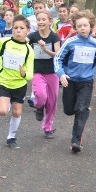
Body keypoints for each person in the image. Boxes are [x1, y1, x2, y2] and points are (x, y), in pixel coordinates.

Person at [55, 10, 96, 153]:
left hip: (86, 82)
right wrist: (61, 74)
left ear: (90, 26)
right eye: (79, 26)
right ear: (75, 28)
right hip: (70, 81)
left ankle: (76, 141)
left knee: (81, 109)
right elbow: (58, 59)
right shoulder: (70, 42)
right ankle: (80, 113)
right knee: (69, 110)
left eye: (85, 25)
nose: (83, 28)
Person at [0, 15, 35, 149]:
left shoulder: (29, 50)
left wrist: (25, 74)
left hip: (19, 85)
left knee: (17, 112)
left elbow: (30, 73)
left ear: (27, 30)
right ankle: (6, 103)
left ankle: (11, 137)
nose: (18, 30)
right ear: (12, 29)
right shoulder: (4, 42)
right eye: (16, 28)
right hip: (3, 81)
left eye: (22, 28)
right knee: (2, 111)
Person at [28, 9, 60, 139]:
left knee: (52, 102)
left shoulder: (54, 37)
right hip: (37, 71)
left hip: (52, 72)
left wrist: (45, 49)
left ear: (50, 21)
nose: (40, 22)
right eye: (38, 19)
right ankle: (39, 107)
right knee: (41, 95)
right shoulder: (32, 36)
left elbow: (57, 54)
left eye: (43, 19)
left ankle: (48, 127)